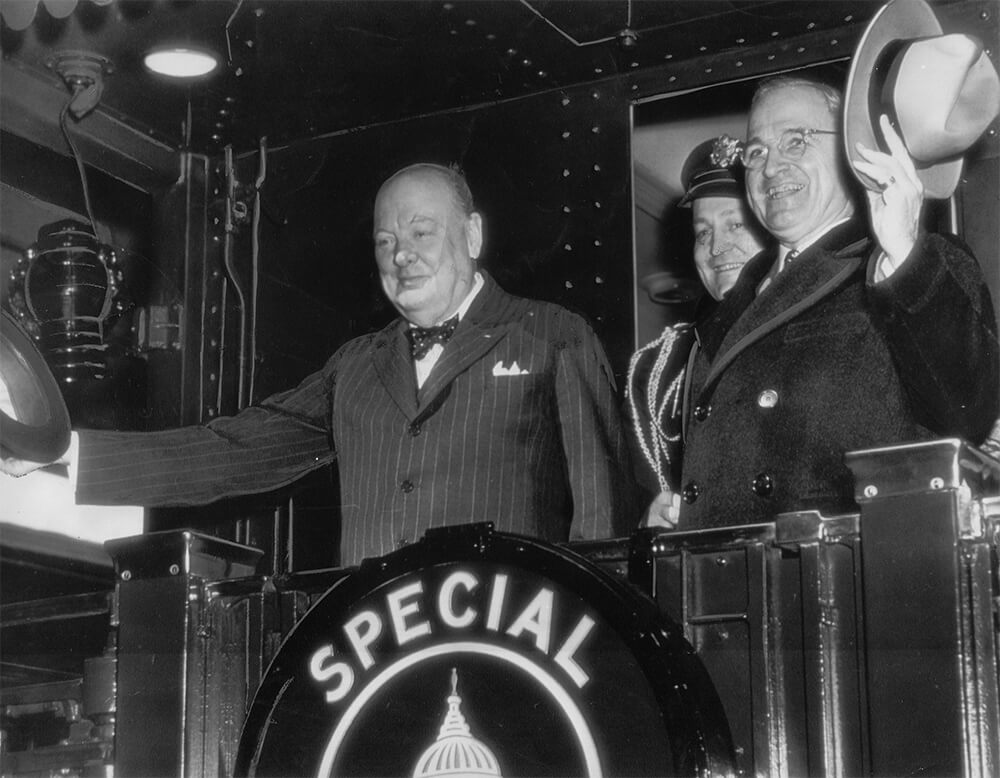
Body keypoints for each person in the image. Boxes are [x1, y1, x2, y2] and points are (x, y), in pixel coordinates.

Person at [1, 163, 635, 565]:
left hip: (514, 659)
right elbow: (231, 450)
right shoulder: (357, 366)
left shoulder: (554, 337)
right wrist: (57, 450)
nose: (402, 255)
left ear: (471, 235)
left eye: (422, 232)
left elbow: (603, 526)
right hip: (373, 662)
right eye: (386, 241)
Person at [664, 65, 999, 530]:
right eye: (756, 151)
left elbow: (970, 413)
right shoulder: (730, 304)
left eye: (796, 141)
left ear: (848, 149)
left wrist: (904, 252)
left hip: (848, 577)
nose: (771, 167)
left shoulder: (908, 264)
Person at [627, 136, 766, 526]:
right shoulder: (657, 370)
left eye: (736, 224)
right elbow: (642, 496)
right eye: (703, 232)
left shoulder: (817, 334)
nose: (717, 247)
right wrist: (648, 520)